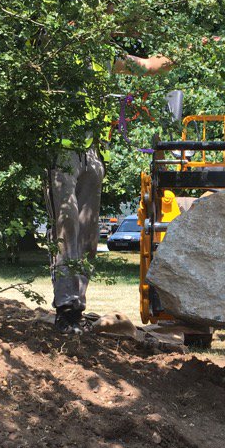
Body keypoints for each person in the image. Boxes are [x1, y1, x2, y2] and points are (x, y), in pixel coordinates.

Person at [45, 51, 174, 334]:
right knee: (66, 232)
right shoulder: (56, 45)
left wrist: (185, 51)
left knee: (89, 237)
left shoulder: (103, 54)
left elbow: (148, 66)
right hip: (61, 151)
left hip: (93, 155)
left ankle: (76, 306)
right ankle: (66, 310)